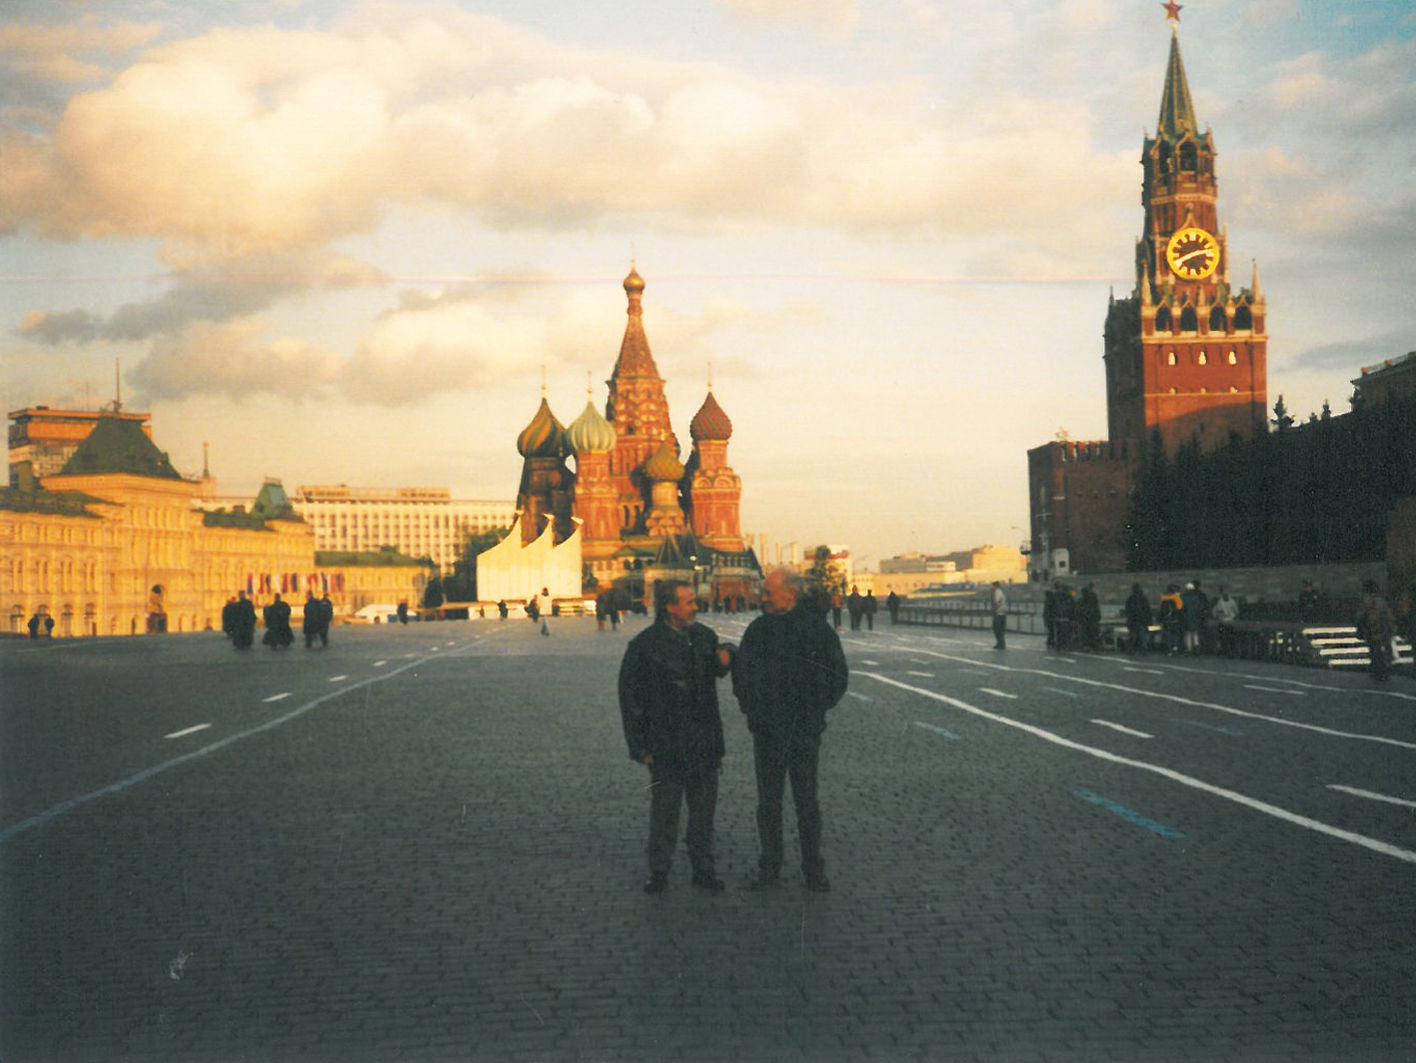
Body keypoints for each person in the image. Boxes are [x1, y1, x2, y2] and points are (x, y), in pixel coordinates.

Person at [732, 567, 849, 892]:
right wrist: (752, 711)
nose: (762, 597)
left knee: (806, 803)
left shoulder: (815, 630)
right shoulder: (758, 630)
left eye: (768, 592)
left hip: (802, 731)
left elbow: (836, 676)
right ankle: (770, 867)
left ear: (790, 594)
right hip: (768, 731)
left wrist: (813, 712)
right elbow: (742, 676)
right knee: (769, 804)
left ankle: (813, 868)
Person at [619, 579, 734, 894]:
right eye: (688, 602)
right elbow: (631, 700)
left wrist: (727, 657)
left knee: (703, 814)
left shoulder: (703, 637)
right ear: (669, 607)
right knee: (664, 812)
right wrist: (639, 746)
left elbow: (720, 664)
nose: (695, 607)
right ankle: (659, 871)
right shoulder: (644, 646)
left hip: (703, 741)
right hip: (666, 743)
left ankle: (703, 868)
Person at [1355, 580, 1396, 683]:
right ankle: (1382, 669)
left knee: (1374, 650)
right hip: (1382, 629)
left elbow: (1360, 616)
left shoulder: (1367, 601)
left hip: (1372, 629)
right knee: (1380, 650)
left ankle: (1378, 670)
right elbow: (1388, 616)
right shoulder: (1381, 601)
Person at [1124, 583, 1152, 655]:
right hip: (1142, 620)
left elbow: (1127, 610)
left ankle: (1132, 649)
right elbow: (1147, 610)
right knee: (1142, 636)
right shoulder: (1143, 598)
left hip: (1133, 620)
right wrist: (1149, 621)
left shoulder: (1131, 598)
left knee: (1133, 636)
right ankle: (1143, 650)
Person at [1212, 586, 1240, 658]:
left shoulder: (1225, 602)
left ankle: (1228, 651)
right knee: (1227, 638)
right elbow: (1236, 612)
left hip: (1227, 622)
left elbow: (1215, 612)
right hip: (1226, 622)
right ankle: (1228, 651)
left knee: (1226, 638)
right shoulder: (1222, 602)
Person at [1159, 584, 1185, 654]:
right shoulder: (1178, 599)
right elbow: (1181, 610)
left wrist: (1160, 619)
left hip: (1167, 620)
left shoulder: (1165, 599)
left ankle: (1168, 649)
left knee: (1167, 635)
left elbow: (1162, 610)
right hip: (1175, 620)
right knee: (1175, 635)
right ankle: (1175, 648)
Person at [1078, 583, 1102, 651]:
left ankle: (1087, 645)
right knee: (1093, 632)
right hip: (1093, 619)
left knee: (1086, 633)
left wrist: (1080, 619)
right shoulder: (1093, 599)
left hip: (1085, 620)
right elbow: (1096, 609)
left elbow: (1079, 611)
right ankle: (1094, 645)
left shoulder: (1081, 601)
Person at [990, 581, 1007, 650]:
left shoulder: (997, 592)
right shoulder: (1001, 592)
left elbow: (997, 602)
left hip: (998, 613)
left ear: (995, 586)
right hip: (1003, 612)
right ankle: (1001, 643)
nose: (991, 587)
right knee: (1001, 629)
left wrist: (994, 610)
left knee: (997, 629)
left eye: (992, 586)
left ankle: (1001, 644)